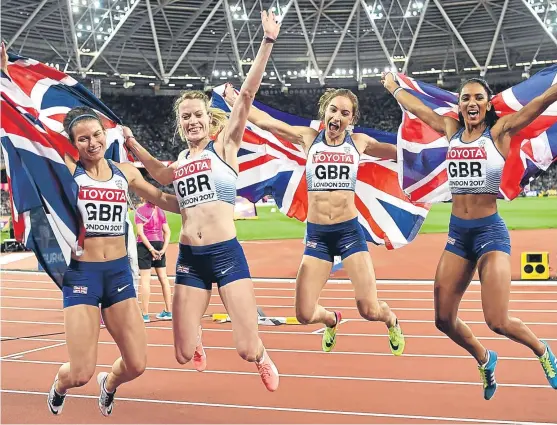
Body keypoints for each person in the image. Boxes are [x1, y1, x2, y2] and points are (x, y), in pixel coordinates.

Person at [122, 10, 281, 392]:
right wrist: (131, 144)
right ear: (180, 125)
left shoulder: (225, 146)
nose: (192, 121)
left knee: (246, 347)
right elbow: (161, 177)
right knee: (181, 353)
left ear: (209, 120)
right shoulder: (181, 161)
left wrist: (267, 41)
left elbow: (246, 96)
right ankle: (196, 341)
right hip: (190, 258)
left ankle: (262, 357)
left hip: (226, 254)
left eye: (197, 115)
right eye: (185, 118)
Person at [381, 72, 557, 399]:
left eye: (478, 97)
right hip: (458, 235)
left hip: (490, 232)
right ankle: (484, 358)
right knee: (443, 320)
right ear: (459, 106)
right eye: (465, 98)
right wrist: (393, 88)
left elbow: (538, 104)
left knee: (497, 320)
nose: (471, 102)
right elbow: (421, 111)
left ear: (488, 104)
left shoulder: (499, 132)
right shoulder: (451, 131)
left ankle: (543, 351)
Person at [223, 84, 406, 356]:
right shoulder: (309, 138)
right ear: (325, 112)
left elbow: (399, 153)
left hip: (348, 232)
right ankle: (332, 319)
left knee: (369, 309)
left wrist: (428, 148)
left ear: (351, 120)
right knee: (305, 313)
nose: (337, 116)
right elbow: (265, 122)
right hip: (318, 235)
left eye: (345, 113)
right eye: (333, 109)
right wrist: (238, 102)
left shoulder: (359, 143)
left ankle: (391, 319)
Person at [45, 107, 179, 416]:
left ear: (106, 134)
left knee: (137, 364)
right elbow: (32, 131)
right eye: (83, 139)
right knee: (79, 373)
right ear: (72, 143)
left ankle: (109, 384)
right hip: (82, 276)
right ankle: (59, 385)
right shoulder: (68, 168)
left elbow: (163, 199)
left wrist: (202, 204)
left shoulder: (125, 172)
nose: (92, 143)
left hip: (118, 275)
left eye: (96, 135)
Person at [134, 198, 173, 322]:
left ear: (143, 198)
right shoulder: (161, 211)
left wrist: (150, 249)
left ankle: (144, 314)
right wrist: (163, 249)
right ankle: (168, 311)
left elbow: (140, 232)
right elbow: (167, 232)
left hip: (145, 246)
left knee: (145, 279)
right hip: (159, 244)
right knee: (163, 278)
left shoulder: (140, 211)